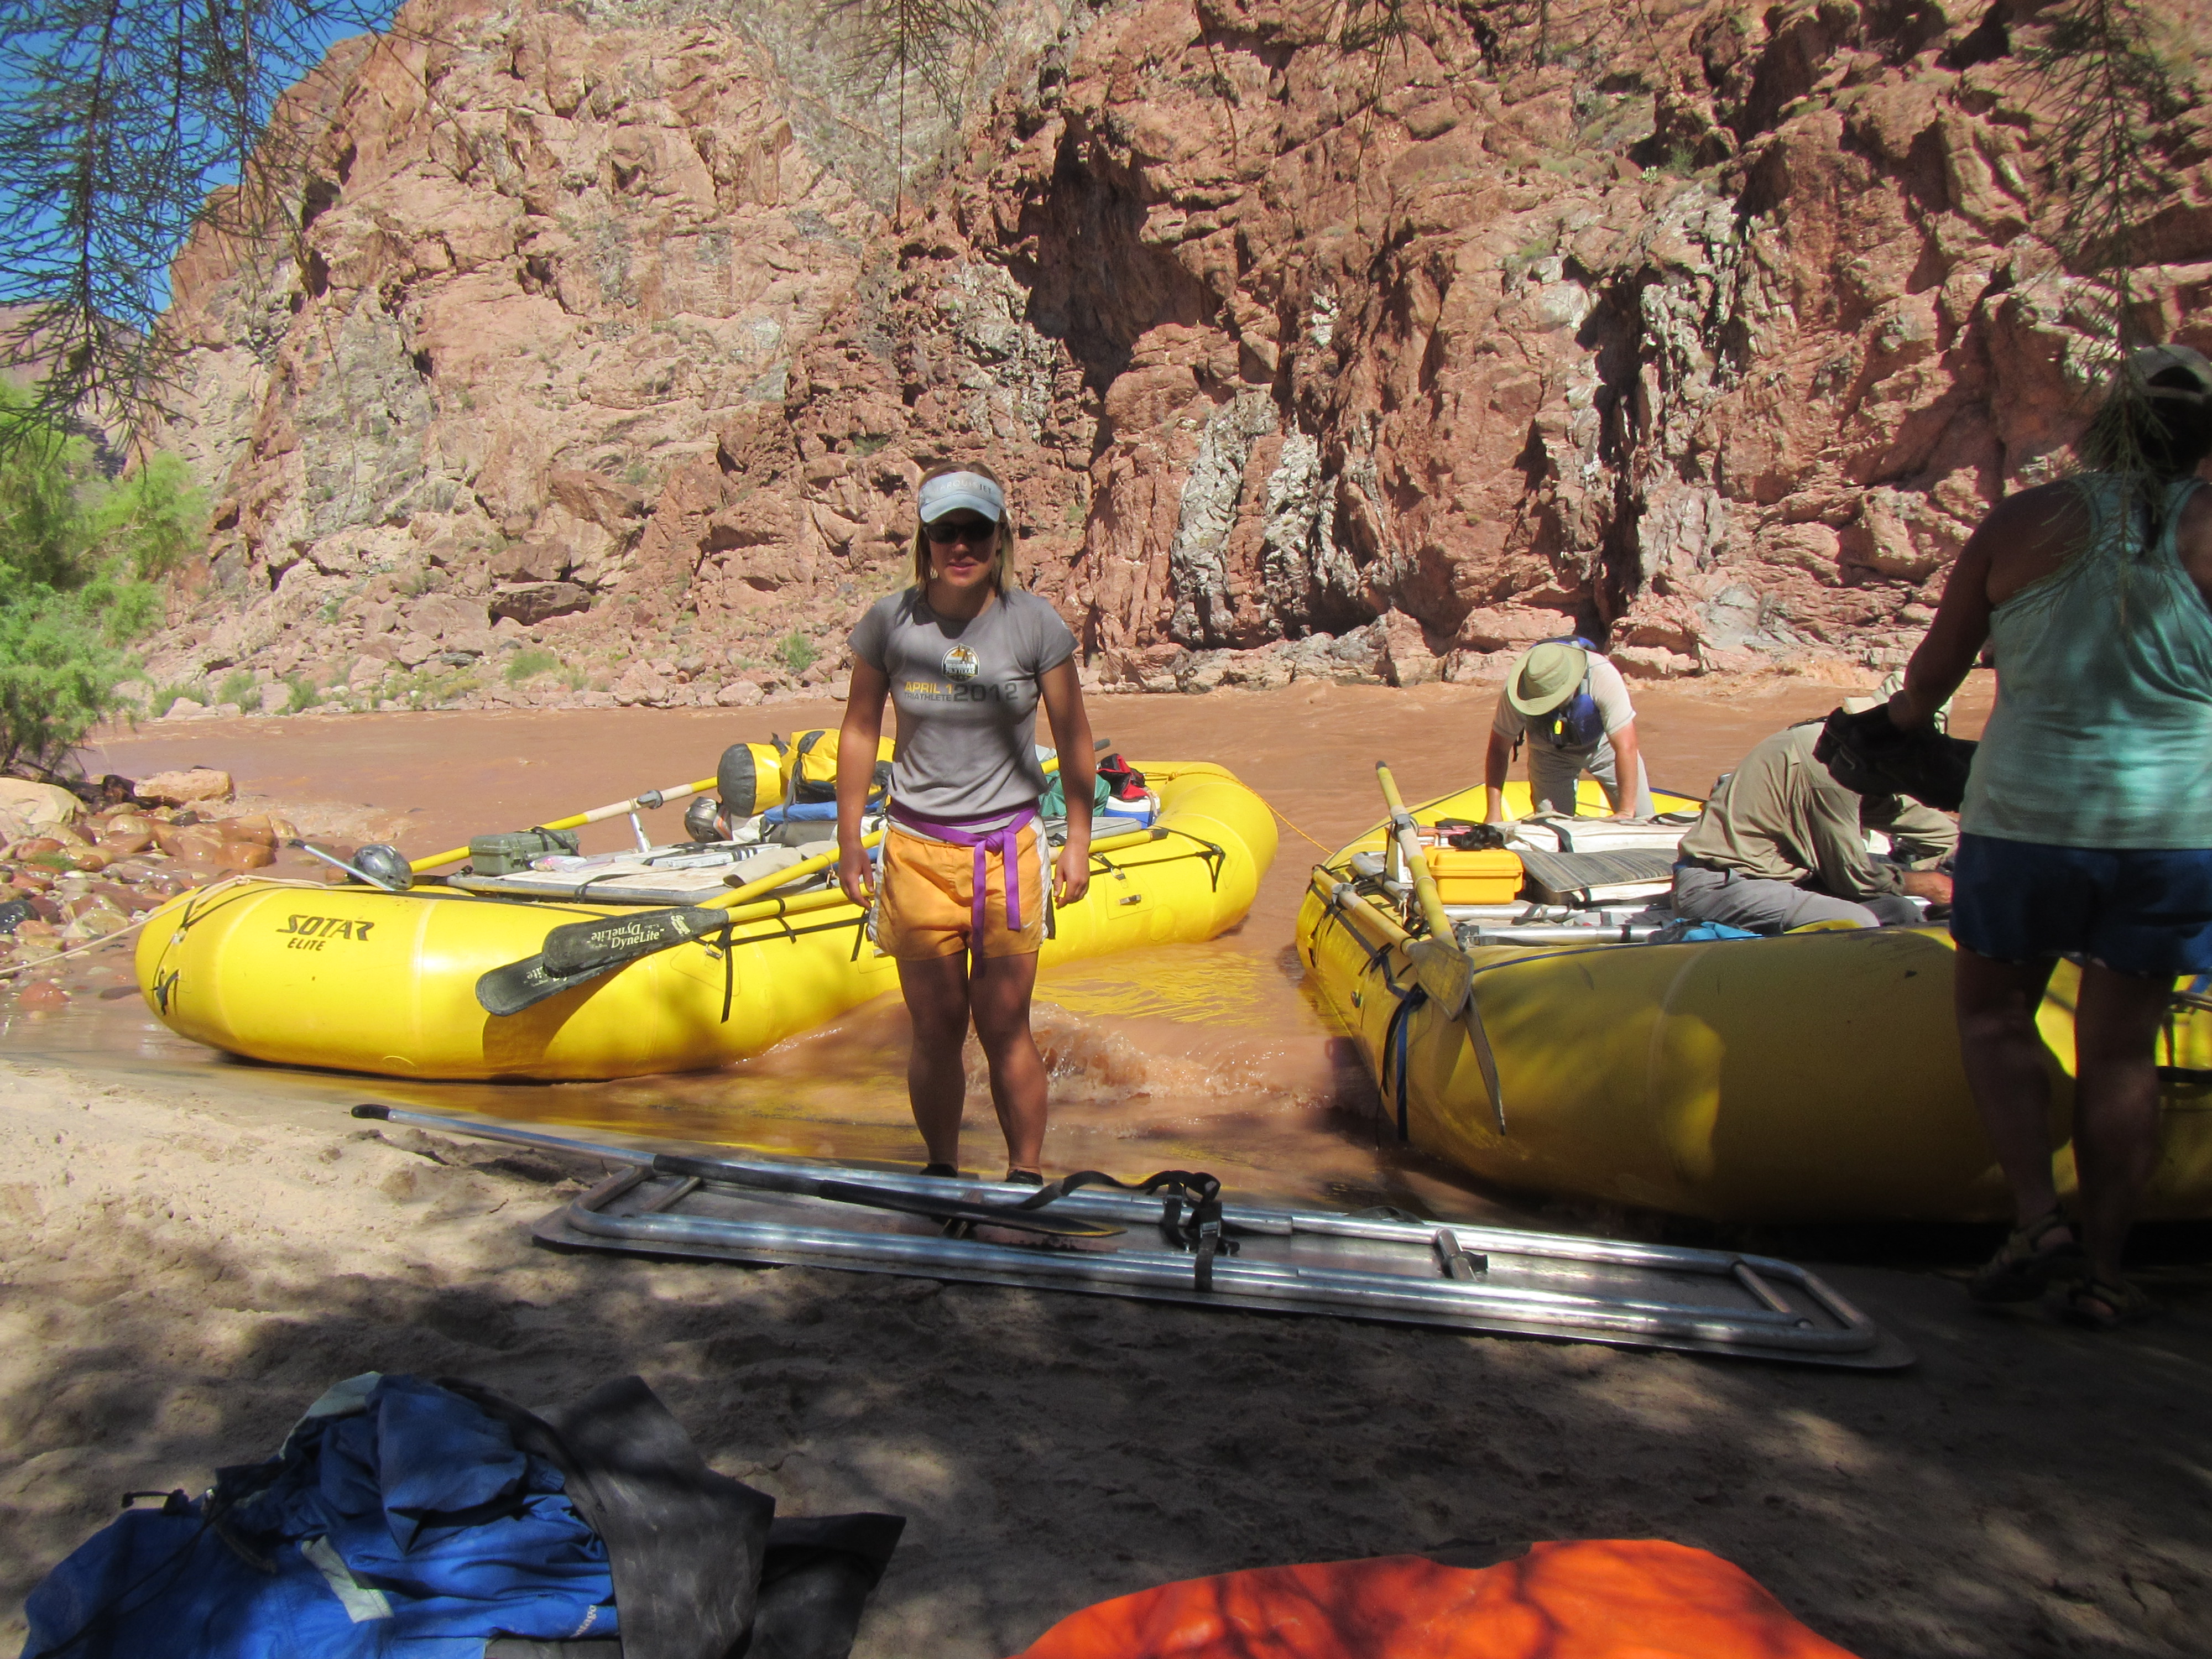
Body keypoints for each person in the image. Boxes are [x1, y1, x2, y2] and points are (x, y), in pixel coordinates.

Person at [1888, 343, 2212, 1329]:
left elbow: (1931, 678)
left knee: (1994, 1018)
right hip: (2176, 831)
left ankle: (2037, 1221)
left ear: (2106, 424)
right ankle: (2105, 1275)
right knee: (2123, 1054)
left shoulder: (2023, 523)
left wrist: (1894, 733)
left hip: (2028, 821)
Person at [835, 462, 1094, 1186]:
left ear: (999, 538)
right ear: (923, 541)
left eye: (974, 531)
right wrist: (850, 838)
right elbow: (859, 729)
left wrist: (1077, 839)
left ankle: (1025, 1176)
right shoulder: (888, 624)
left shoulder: (1034, 624)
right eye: (944, 531)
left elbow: (1073, 733)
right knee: (937, 1029)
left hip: (1009, 852)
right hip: (916, 852)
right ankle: (943, 1172)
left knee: (1006, 1028)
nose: (960, 546)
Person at [1670, 709, 1957, 932]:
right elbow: (1851, 875)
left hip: (1784, 880)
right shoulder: (1829, 768)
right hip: (1723, 885)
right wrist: (1927, 884)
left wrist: (1961, 848)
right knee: (1857, 922)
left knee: (1900, 911)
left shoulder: (1856, 756)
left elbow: (1909, 817)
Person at [1483, 638, 1653, 821]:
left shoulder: (1601, 673)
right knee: (1552, 825)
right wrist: (1494, 812)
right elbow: (1499, 749)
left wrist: (1626, 812)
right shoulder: (1517, 689)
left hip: (1605, 746)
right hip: (1550, 753)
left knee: (1642, 819)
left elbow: (1626, 746)